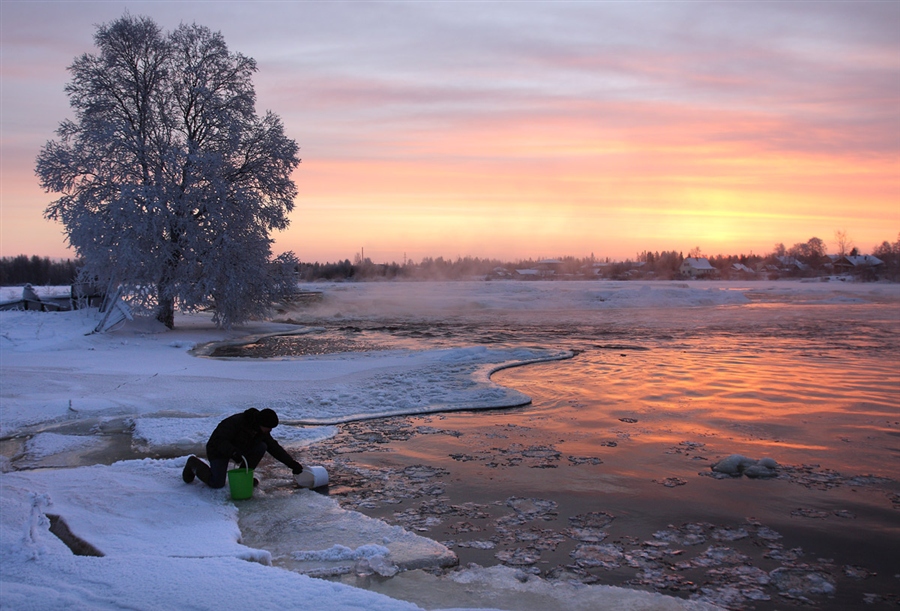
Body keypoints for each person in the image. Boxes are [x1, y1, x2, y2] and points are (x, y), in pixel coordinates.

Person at [182, 408, 303, 488]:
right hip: (218, 450)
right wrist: (233, 452)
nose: (270, 430)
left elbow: (274, 448)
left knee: (262, 446)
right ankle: (193, 463)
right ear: (261, 423)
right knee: (216, 483)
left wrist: (292, 464)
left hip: (239, 451)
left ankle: (244, 478)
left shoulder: (261, 431)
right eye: (269, 427)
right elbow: (219, 441)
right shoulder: (236, 422)